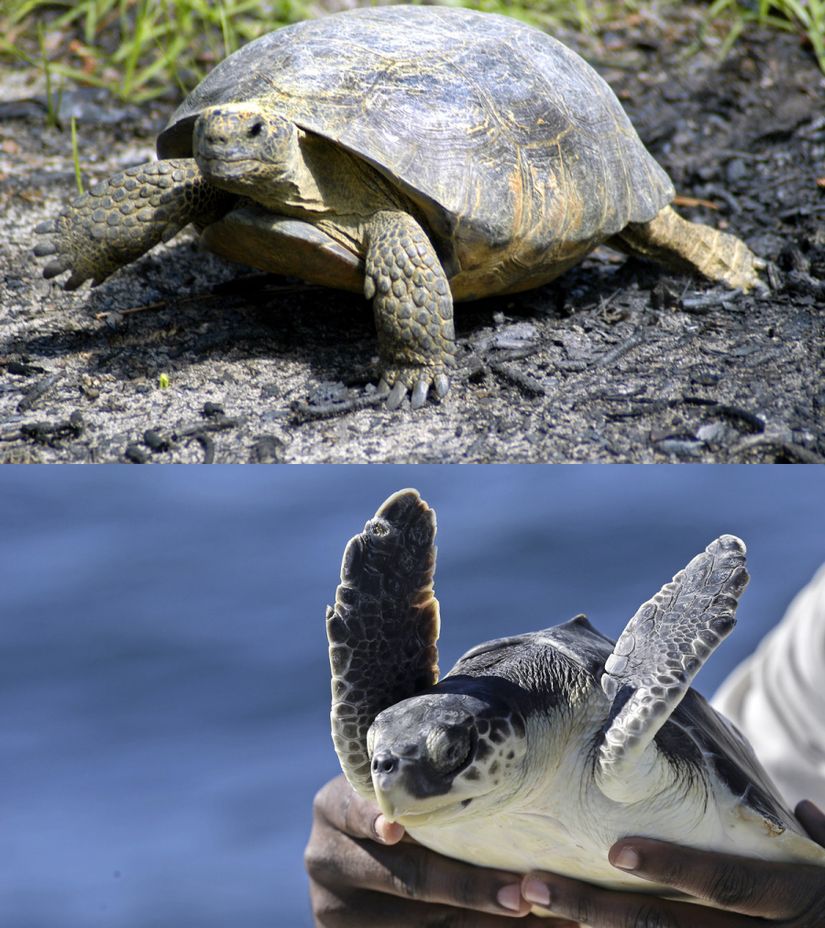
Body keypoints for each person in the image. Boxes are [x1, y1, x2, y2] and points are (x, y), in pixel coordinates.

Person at [305, 566, 825, 927]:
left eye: (450, 754)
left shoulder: (620, 751)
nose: (395, 788)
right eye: (381, 762)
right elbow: (772, 744)